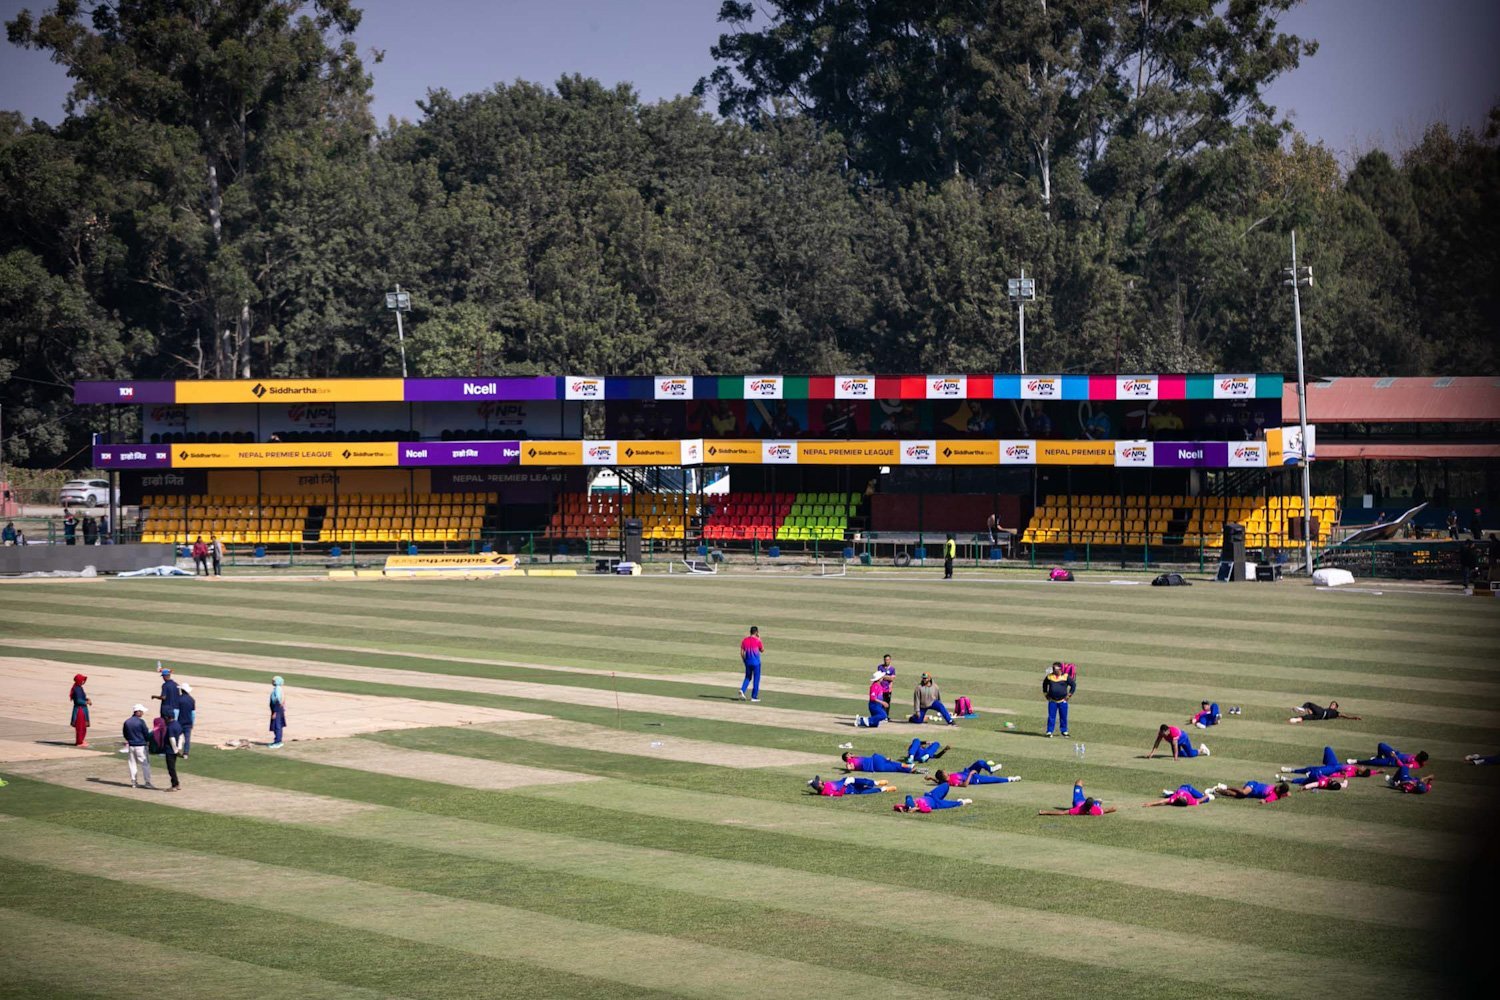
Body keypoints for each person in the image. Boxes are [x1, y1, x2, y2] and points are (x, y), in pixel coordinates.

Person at [122, 705, 155, 789]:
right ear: (138, 712)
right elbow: (146, 734)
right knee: (145, 764)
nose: (143, 713)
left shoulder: (127, 722)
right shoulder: (141, 722)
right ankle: (147, 782)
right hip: (141, 746)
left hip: (131, 746)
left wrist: (130, 740)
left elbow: (125, 734)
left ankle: (134, 782)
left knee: (132, 764)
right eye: (142, 711)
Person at [1038, 781, 1116, 816]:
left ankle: (1098, 801)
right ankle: (1098, 801)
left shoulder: (1078, 809)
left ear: (1085, 802)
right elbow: (1110, 809)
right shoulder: (1096, 810)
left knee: (1079, 781)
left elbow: (1062, 813)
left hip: (1078, 802)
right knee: (1099, 801)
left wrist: (1045, 812)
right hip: (1092, 804)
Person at [929, 760, 1018, 787]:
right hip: (974, 778)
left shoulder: (944, 780)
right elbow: (964, 785)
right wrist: (971, 774)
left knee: (980, 763)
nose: (946, 772)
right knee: (993, 779)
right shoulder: (952, 781)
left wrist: (931, 779)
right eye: (944, 772)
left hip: (967, 771)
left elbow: (939, 782)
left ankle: (991, 769)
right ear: (943, 776)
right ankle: (1011, 779)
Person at [1042, 664, 1073, 737]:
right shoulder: (1049, 677)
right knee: (1051, 717)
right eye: (1053, 669)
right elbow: (1044, 684)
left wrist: (1069, 695)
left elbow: (1073, 685)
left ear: (1060, 669)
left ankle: (1064, 731)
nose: (1054, 670)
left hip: (1063, 701)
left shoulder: (1065, 676)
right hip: (1052, 701)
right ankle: (1049, 731)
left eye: (1056, 669)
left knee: (1063, 716)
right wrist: (1045, 694)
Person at [893, 784, 972, 813]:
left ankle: (958, 802)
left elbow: (896, 805)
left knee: (946, 785)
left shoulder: (909, 804)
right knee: (951, 804)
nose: (915, 800)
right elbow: (928, 809)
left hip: (931, 795)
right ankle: (962, 802)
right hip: (937, 803)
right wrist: (917, 809)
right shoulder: (921, 806)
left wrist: (900, 808)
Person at [1347, 743, 1428, 769]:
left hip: (1391, 761)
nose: (1417, 754)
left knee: (1373, 762)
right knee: (1381, 745)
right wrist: (1396, 754)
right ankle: (1379, 756)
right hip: (1395, 754)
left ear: (1420, 757)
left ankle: (1357, 761)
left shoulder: (1414, 764)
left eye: (1419, 755)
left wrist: (1395, 757)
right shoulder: (1418, 758)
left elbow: (1403, 766)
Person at [737, 626, 763, 702]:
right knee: (756, 679)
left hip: (748, 662)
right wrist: (759, 639)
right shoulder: (757, 640)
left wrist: (745, 661)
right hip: (756, 663)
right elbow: (762, 650)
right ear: (756, 632)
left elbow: (742, 653)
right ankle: (754, 697)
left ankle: (742, 690)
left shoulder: (744, 640)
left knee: (748, 677)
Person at [160, 712, 184, 791]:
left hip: (170, 751)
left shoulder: (170, 727)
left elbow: (172, 739)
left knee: (171, 768)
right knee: (172, 768)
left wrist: (176, 750)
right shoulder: (177, 724)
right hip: (175, 749)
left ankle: (175, 785)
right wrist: (179, 748)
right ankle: (177, 784)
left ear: (168, 717)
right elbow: (181, 736)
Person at [806, 775, 896, 797]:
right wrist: (845, 785)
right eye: (819, 782)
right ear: (819, 786)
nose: (821, 781)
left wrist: (846, 781)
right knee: (867, 791)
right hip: (850, 789)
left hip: (847, 781)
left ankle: (876, 782)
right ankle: (885, 789)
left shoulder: (824, 784)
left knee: (864, 781)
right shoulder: (827, 792)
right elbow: (839, 794)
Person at [67, 673, 91, 747]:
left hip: (82, 709)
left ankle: (81, 740)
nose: (83, 681)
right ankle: (79, 742)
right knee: (80, 726)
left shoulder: (79, 688)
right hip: (79, 710)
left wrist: (86, 699)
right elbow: (78, 701)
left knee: (83, 726)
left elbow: (81, 698)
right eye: (82, 680)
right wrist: (86, 702)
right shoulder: (77, 689)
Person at [840, 751, 919, 773]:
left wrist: (849, 768)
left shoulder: (854, 758)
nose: (851, 753)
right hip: (876, 761)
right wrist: (848, 767)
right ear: (847, 756)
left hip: (876, 764)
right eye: (849, 753)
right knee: (894, 764)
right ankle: (909, 767)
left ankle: (909, 768)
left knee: (894, 766)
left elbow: (851, 767)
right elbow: (850, 767)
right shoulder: (850, 760)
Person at [1212, 780, 1289, 803]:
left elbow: (1270, 798)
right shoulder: (1274, 789)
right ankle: (1225, 786)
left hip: (1251, 794)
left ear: (1280, 791)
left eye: (1279, 788)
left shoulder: (1275, 795)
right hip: (1253, 785)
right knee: (1244, 792)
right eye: (1278, 786)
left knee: (1234, 795)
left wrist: (1264, 801)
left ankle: (1217, 790)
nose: (1277, 787)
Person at [1288, 701, 1361, 724]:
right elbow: (1312, 712)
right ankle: (1295, 720)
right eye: (1331, 704)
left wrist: (1354, 717)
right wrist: (1310, 711)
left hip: (1322, 713)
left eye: (1333, 704)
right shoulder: (1327, 709)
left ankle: (1303, 709)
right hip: (1319, 716)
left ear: (1336, 707)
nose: (1331, 705)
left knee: (1309, 704)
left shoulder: (1336, 713)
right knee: (1305, 717)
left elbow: (1344, 715)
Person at [1143, 784, 1214, 807]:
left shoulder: (1174, 799)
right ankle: (1208, 791)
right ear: (1186, 800)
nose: (1182, 796)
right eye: (1183, 797)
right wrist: (1206, 795)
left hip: (1184, 788)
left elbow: (1162, 802)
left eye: (1180, 797)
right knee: (1207, 799)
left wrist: (1150, 804)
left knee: (1169, 797)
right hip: (1188, 788)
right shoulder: (1191, 801)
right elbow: (1200, 800)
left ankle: (1169, 793)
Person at [176, 683, 196, 758]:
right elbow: (193, 713)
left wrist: (174, 721)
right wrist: (192, 722)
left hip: (179, 722)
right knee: (187, 739)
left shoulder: (178, 699)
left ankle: (176, 750)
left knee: (177, 737)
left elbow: (176, 712)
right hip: (188, 722)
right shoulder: (191, 700)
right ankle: (186, 753)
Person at [268, 675, 287, 748]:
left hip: (277, 709)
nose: (272, 682)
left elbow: (278, 700)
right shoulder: (278, 688)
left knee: (277, 726)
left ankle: (278, 742)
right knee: (277, 725)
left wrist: (275, 712)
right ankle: (277, 741)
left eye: (273, 680)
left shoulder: (278, 689)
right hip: (278, 709)